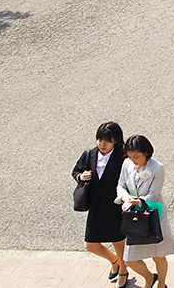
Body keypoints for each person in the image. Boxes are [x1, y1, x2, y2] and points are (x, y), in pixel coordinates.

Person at [116, 134, 174, 288]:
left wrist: (140, 201)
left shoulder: (157, 168)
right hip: (134, 218)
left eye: (136, 156)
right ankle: (149, 277)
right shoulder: (126, 164)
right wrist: (125, 197)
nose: (132, 160)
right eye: (129, 156)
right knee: (129, 260)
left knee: (158, 254)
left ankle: (161, 284)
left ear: (146, 153)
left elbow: (154, 195)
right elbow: (120, 186)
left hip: (153, 215)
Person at [74, 122, 127, 287]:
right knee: (90, 244)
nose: (102, 144)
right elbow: (76, 171)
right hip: (96, 206)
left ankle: (123, 271)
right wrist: (80, 177)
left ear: (115, 141)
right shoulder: (90, 155)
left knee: (119, 242)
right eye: (99, 140)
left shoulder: (122, 159)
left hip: (115, 206)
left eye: (107, 141)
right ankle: (114, 261)